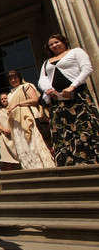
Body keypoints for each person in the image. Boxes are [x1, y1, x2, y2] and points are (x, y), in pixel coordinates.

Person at [38, 34, 99, 166]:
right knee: (62, 130)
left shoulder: (76, 52)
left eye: (56, 42)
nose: (54, 45)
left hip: (77, 96)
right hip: (58, 100)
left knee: (83, 126)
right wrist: (48, 89)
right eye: (51, 45)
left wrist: (72, 86)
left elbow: (87, 68)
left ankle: (89, 159)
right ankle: (68, 161)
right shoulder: (46, 62)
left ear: (64, 41)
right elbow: (42, 78)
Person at [5, 70, 55, 169]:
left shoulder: (26, 86)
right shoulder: (10, 94)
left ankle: (42, 166)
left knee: (34, 142)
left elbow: (34, 99)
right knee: (23, 145)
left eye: (15, 77)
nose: (13, 80)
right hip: (16, 122)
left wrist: (18, 104)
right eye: (11, 79)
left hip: (28, 117)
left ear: (19, 78)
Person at [0, 93, 20, 170]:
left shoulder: (15, 109)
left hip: (15, 135)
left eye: (5, 98)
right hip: (4, 137)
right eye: (2, 99)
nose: (3, 100)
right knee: (6, 159)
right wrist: (3, 129)